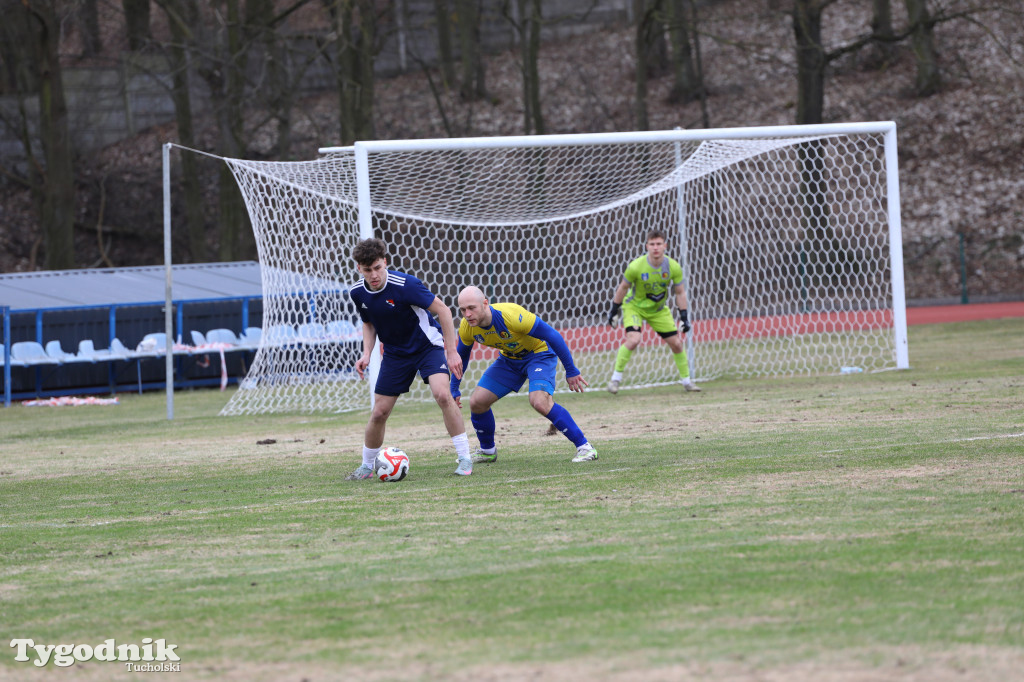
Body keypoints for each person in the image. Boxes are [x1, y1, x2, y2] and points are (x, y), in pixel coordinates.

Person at [346, 238, 473, 479]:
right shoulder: (357, 292)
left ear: (385, 262)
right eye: (367, 270)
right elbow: (369, 323)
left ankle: (465, 458)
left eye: (377, 268)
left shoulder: (406, 285)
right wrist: (366, 354)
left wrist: (451, 350)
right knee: (379, 412)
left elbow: (443, 310)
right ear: (358, 269)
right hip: (395, 354)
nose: (373, 275)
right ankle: (366, 466)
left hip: (428, 346)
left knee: (443, 395)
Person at [450, 286, 598, 463]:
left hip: (539, 354)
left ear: (485, 304)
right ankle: (487, 451)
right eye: (462, 310)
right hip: (509, 360)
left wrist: (571, 370)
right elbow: (461, 358)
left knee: (539, 402)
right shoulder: (467, 327)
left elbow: (553, 335)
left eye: (471, 308)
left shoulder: (511, 315)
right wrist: (453, 388)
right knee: (477, 402)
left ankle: (585, 447)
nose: (467, 314)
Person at [606, 229, 701, 394]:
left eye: (658, 244)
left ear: (665, 246)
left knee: (677, 343)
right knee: (634, 339)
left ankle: (687, 382)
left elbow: (680, 292)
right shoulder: (636, 266)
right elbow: (623, 288)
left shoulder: (673, 266)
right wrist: (614, 310)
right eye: (652, 244)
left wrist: (684, 317)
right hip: (634, 307)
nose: (655, 247)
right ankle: (615, 380)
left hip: (658, 310)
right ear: (646, 246)